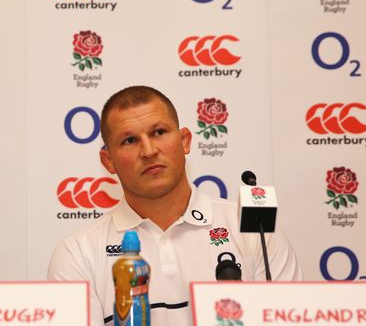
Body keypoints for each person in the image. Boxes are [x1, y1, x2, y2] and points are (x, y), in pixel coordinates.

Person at [47, 86, 302, 325]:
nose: (148, 151)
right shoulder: (78, 253)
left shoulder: (253, 230)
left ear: (185, 141)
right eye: (129, 140)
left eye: (159, 132)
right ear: (108, 161)